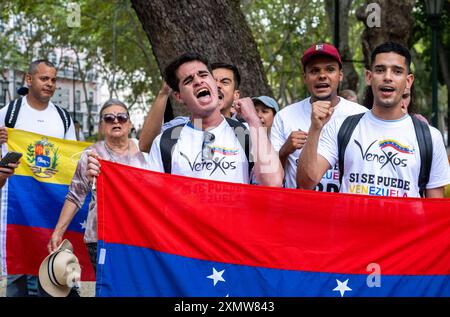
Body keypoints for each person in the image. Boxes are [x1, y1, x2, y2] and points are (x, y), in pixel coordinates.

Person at [89, 53, 283, 187]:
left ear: (214, 86)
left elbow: (273, 182)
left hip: (233, 243)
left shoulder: (245, 133)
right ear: (179, 96)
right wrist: (105, 173)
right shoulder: (166, 141)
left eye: (203, 75)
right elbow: (147, 198)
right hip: (182, 246)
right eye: (188, 81)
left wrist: (253, 121)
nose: (198, 81)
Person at [297, 41, 450, 198]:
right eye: (380, 70)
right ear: (369, 77)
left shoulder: (431, 137)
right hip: (350, 223)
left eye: (397, 71)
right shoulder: (341, 127)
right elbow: (306, 182)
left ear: (408, 81)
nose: (387, 77)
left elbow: (434, 209)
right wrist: (315, 129)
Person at [0, 59, 77, 297]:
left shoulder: (63, 118)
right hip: (16, 207)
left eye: (54, 80)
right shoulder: (8, 114)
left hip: (51, 205)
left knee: (53, 271)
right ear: (29, 79)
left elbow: (72, 161)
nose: (50, 84)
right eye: (45, 78)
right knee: (19, 274)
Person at [48, 99, 148, 273]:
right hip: (101, 237)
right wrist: (58, 232)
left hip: (140, 235)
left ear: (130, 123)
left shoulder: (145, 152)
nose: (116, 121)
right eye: (109, 118)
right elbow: (75, 195)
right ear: (101, 126)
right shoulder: (91, 155)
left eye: (121, 117)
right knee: (108, 289)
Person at [270, 43, 367, 190]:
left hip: (342, 210)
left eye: (330, 69)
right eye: (314, 71)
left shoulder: (361, 115)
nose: (322, 76)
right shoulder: (284, 116)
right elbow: (270, 180)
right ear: (305, 77)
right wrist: (284, 152)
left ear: (340, 75)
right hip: (298, 208)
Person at [138, 62, 241, 153]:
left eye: (225, 82)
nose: (217, 85)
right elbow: (146, 145)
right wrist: (164, 93)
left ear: (236, 95)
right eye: (213, 80)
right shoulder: (179, 127)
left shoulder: (246, 131)